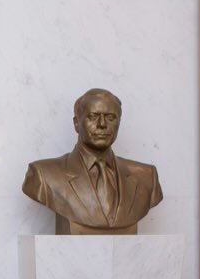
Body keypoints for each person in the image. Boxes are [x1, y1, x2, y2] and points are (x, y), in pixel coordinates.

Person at [20, 87, 164, 234]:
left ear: (119, 122)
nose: (102, 124)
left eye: (110, 117)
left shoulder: (147, 177)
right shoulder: (43, 175)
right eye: (93, 116)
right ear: (76, 123)